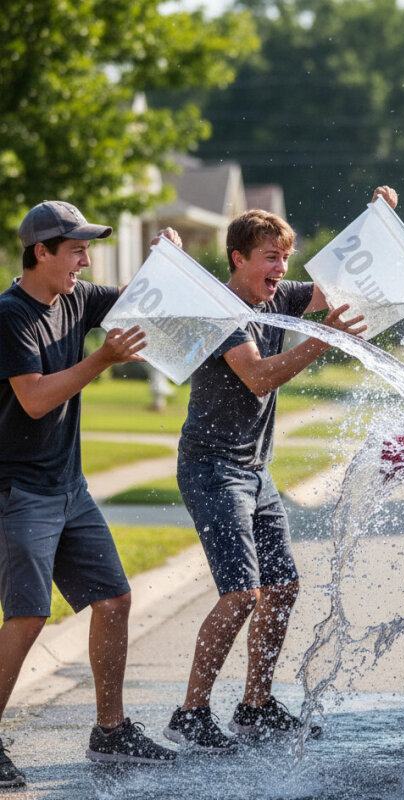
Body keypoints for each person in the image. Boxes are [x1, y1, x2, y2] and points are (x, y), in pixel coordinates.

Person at [163, 186, 398, 754]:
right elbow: (259, 376)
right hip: (212, 469)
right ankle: (189, 713)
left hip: (255, 470)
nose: (281, 268)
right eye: (271, 257)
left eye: (285, 257)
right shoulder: (222, 310)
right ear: (239, 258)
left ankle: (255, 705)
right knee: (241, 592)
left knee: (283, 587)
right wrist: (327, 342)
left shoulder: (278, 297)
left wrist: (379, 224)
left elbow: (335, 287)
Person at [0, 201, 180, 788]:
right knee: (26, 616)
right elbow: (33, 398)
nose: (85, 259)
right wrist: (102, 357)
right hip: (19, 489)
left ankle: (110, 730)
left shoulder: (79, 298)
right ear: (41, 253)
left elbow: (137, 295)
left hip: (68, 486)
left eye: (85, 248)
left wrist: (165, 264)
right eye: (74, 249)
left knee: (113, 599)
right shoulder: (10, 316)